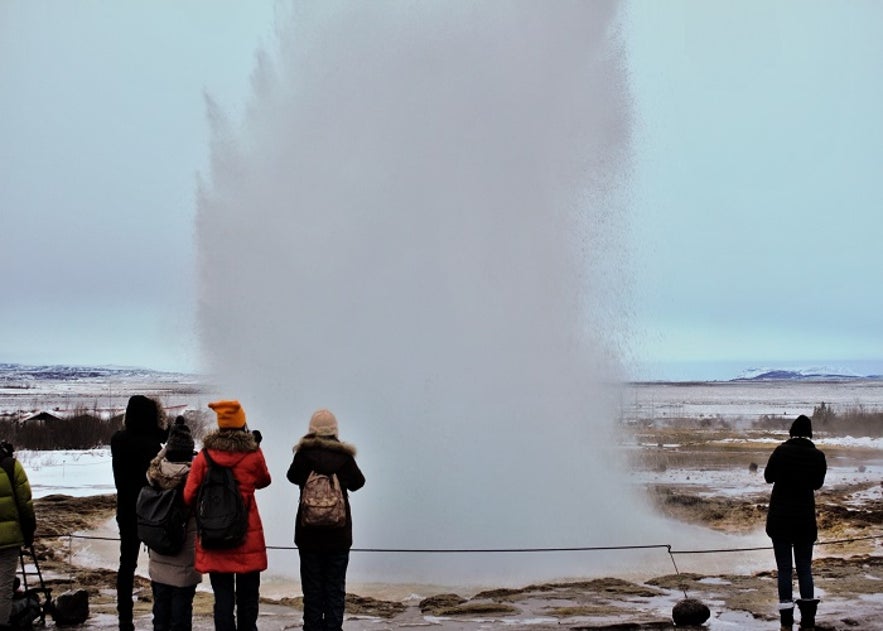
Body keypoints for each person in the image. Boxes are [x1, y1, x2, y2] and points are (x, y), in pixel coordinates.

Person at [183, 400, 270, 631]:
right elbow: (264, 481)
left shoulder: (204, 457)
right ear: (243, 425)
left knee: (222, 598)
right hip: (246, 536)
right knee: (248, 597)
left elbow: (188, 495)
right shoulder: (252, 455)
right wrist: (255, 445)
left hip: (215, 535)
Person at [287, 409, 365, 631]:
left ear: (311, 430)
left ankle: (312, 627)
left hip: (308, 535)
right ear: (334, 430)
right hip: (338, 535)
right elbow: (359, 482)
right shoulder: (344, 456)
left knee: (312, 590)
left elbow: (291, 477)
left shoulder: (303, 456)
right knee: (334, 589)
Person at [765, 414, 827, 631]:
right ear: (810, 433)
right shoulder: (817, 456)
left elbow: (768, 477)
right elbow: (817, 484)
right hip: (804, 520)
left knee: (784, 570)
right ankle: (808, 621)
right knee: (804, 569)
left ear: (791, 431)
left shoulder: (781, 451)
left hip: (780, 519)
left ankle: (785, 622)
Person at [111, 395, 166, 631]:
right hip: (151, 512)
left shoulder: (118, 440)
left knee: (127, 564)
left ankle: (125, 617)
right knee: (159, 563)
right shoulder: (152, 446)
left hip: (125, 509)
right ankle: (160, 615)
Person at [146, 417, 201, 631]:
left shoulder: (155, 475)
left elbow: (152, 464)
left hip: (159, 554)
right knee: (181, 613)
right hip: (185, 557)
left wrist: (165, 449)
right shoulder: (195, 476)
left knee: (160, 611)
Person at [0, 441, 36, 631]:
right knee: (4, 588)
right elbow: (25, 503)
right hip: (9, 539)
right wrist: (29, 533)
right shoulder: (11, 466)